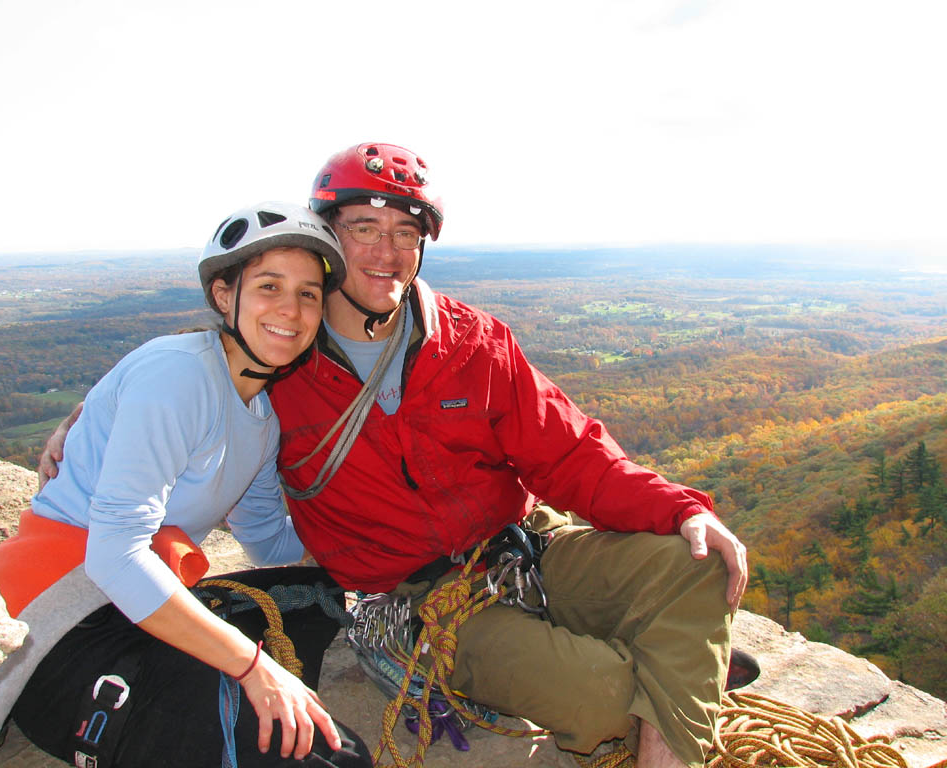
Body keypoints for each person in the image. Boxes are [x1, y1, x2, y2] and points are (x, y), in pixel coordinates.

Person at [40, 144, 749, 768]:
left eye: (405, 231)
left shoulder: (472, 342)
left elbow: (567, 455)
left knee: (699, 564)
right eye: (363, 229)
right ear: (328, 236)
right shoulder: (286, 363)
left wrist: (678, 508)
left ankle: (668, 696)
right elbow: (204, 373)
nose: (386, 250)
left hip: (524, 549)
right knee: (598, 699)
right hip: (426, 601)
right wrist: (89, 417)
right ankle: (679, 671)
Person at [0, 203, 372, 768]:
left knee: (317, 604)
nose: (291, 311)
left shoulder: (262, 418)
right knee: (329, 760)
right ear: (225, 295)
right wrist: (252, 666)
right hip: (57, 623)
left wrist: (374, 550)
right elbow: (116, 554)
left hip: (132, 608)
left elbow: (270, 541)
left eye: (309, 294)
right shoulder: (178, 374)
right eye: (270, 286)